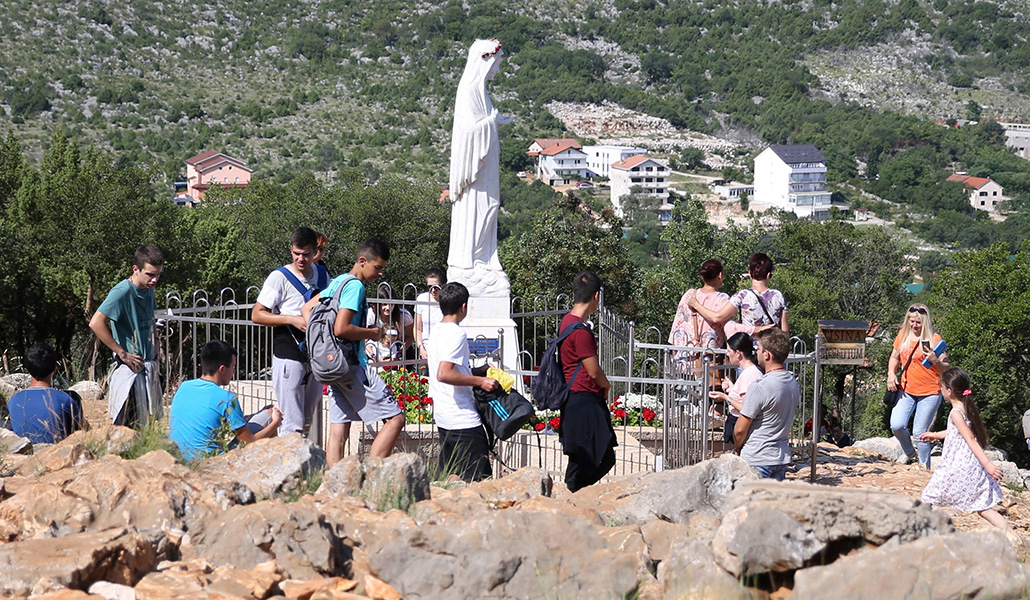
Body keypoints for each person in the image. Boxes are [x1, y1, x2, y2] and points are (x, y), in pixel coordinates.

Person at [304, 238, 404, 467]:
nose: (379, 274)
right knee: (396, 419)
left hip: (333, 367)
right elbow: (342, 328)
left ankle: (334, 484)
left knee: (339, 428)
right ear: (362, 261)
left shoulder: (338, 281)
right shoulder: (355, 287)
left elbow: (307, 309)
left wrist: (322, 343)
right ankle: (371, 476)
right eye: (377, 267)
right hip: (353, 365)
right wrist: (373, 333)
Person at [447, 38, 512, 291]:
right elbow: (468, 130)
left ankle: (483, 259)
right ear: (485, 61)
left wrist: (496, 121)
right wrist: (490, 122)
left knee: (492, 206)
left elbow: (480, 124)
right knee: (480, 208)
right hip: (476, 173)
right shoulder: (467, 91)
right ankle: (471, 261)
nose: (498, 68)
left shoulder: (480, 91)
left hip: (487, 166)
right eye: (497, 62)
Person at [251, 227, 330, 436]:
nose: (300, 259)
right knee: (291, 421)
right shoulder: (279, 277)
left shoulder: (323, 276)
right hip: (288, 353)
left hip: (316, 354)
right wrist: (291, 320)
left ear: (315, 252)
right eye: (296, 254)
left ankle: (307, 466)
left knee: (307, 419)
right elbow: (257, 314)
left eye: (305, 254)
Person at [427, 282, 500, 481]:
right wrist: (480, 381)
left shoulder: (436, 331)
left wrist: (478, 370)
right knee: (480, 481)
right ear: (464, 307)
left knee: (453, 477)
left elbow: (447, 369)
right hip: (462, 420)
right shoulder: (456, 334)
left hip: (444, 417)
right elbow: (444, 373)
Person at [919, 368, 1007, 530]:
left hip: (957, 465)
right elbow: (956, 431)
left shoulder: (955, 413)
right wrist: (936, 435)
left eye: (942, 387)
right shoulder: (966, 409)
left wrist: (988, 464)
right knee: (982, 506)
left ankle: (915, 528)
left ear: (950, 391)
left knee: (928, 496)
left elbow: (970, 438)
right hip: (971, 465)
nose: (940, 390)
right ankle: (1008, 533)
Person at [89, 244, 164, 427]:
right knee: (126, 430)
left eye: (158, 274)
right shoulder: (122, 291)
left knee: (148, 429)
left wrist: (155, 341)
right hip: (129, 373)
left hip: (148, 369)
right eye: (150, 274)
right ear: (136, 269)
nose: (154, 280)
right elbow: (96, 323)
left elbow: (150, 318)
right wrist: (122, 353)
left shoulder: (149, 289)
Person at [169, 340, 282, 461]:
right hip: (212, 463)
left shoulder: (184, 387)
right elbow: (250, 443)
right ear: (222, 369)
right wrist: (276, 422)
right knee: (269, 416)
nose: (234, 372)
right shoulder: (226, 398)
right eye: (233, 367)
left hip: (181, 459)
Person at [559, 271, 617, 492]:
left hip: (572, 399)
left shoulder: (566, 321)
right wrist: (606, 385)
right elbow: (592, 370)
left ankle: (572, 494)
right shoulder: (582, 332)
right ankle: (575, 494)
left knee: (580, 457)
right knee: (602, 456)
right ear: (596, 296)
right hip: (585, 399)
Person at [887, 303, 949, 467]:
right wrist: (891, 374)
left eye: (918, 322)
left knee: (920, 433)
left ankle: (923, 468)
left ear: (925, 322)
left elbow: (945, 366)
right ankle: (910, 453)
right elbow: (894, 357)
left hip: (929, 392)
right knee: (897, 425)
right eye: (911, 321)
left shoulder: (935, 339)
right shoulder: (903, 335)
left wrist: (935, 360)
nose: (914, 325)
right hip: (906, 390)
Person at [734, 328, 800, 480]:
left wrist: (738, 445)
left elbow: (739, 430)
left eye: (759, 349)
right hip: (780, 457)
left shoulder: (760, 387)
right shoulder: (792, 382)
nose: (756, 352)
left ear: (767, 354)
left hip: (757, 458)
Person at [687, 252, 788, 335]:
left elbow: (717, 317)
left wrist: (696, 305)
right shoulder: (778, 296)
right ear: (769, 275)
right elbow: (785, 332)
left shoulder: (742, 296)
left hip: (750, 351)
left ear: (750, 273)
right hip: (773, 353)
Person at [7, 342, 89, 444]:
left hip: (23, 454)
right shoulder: (65, 399)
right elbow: (88, 431)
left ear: (28, 368)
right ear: (54, 369)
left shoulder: (13, 400)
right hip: (57, 454)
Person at [708, 333, 762, 446]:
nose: (727, 354)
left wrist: (725, 397)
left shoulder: (747, 375)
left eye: (729, 351)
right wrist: (732, 388)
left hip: (740, 424)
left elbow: (746, 408)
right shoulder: (754, 371)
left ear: (738, 353)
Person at [415, 267, 446, 360]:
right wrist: (421, 348)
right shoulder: (421, 299)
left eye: (436, 287)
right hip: (426, 349)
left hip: (444, 349)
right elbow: (417, 328)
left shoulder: (448, 301)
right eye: (430, 287)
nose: (433, 290)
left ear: (443, 285)